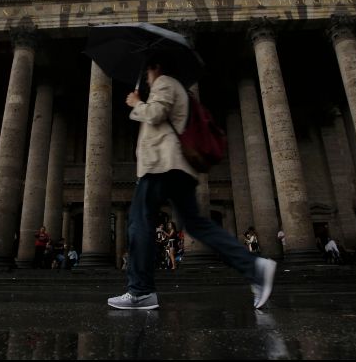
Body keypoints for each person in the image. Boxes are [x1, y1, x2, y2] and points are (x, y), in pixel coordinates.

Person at [108, 53, 276, 310]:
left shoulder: (165, 83)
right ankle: (254, 267)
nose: (145, 77)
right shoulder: (181, 89)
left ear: (156, 66)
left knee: (139, 221)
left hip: (161, 166)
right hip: (179, 168)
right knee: (197, 225)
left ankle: (141, 291)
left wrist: (136, 103)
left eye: (147, 71)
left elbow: (154, 114)